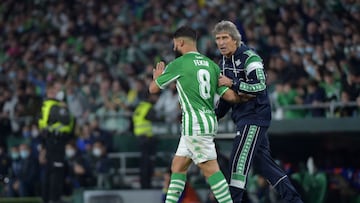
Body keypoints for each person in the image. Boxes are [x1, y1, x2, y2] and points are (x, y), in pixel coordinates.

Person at [149, 26, 249, 203]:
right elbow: (231, 97)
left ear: (180, 42)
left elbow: (153, 89)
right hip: (206, 120)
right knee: (178, 166)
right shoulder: (212, 66)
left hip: (194, 123)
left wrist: (157, 77)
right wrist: (246, 92)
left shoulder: (179, 64)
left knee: (210, 169)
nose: (174, 48)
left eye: (174, 44)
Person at [212, 20, 303, 203]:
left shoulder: (249, 57)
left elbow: (260, 86)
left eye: (225, 38)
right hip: (242, 117)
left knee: (238, 161)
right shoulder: (224, 62)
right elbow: (227, 97)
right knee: (264, 163)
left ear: (235, 39)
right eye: (217, 39)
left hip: (254, 116)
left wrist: (234, 83)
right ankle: (292, 199)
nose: (221, 42)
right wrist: (214, 116)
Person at [38, 80, 75, 203]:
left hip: (50, 141)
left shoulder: (45, 105)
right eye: (55, 91)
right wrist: (65, 107)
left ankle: (47, 198)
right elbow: (65, 120)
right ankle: (54, 198)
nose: (58, 93)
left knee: (50, 170)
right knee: (57, 170)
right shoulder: (54, 106)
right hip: (56, 141)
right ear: (49, 92)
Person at [132, 93, 159, 189]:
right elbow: (156, 120)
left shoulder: (140, 106)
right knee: (148, 163)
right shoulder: (149, 107)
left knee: (143, 162)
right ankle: (147, 184)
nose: (156, 98)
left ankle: (143, 183)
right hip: (147, 138)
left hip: (139, 137)